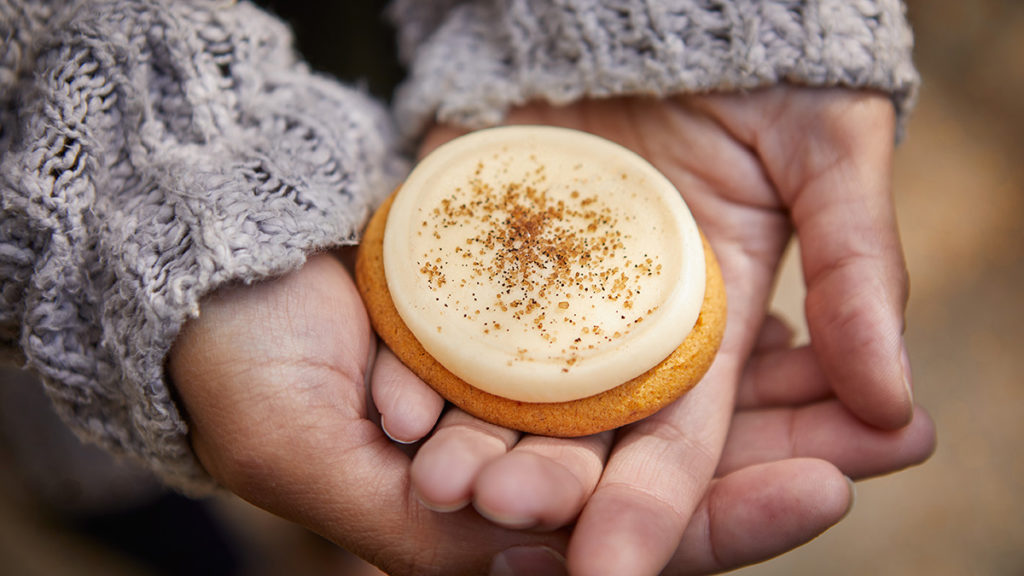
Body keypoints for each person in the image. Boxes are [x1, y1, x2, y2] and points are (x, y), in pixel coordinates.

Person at [1, 1, 936, 575]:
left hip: (424, 61)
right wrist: (119, 176)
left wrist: (655, 22)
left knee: (397, 459)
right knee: (154, 516)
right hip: (75, 385)